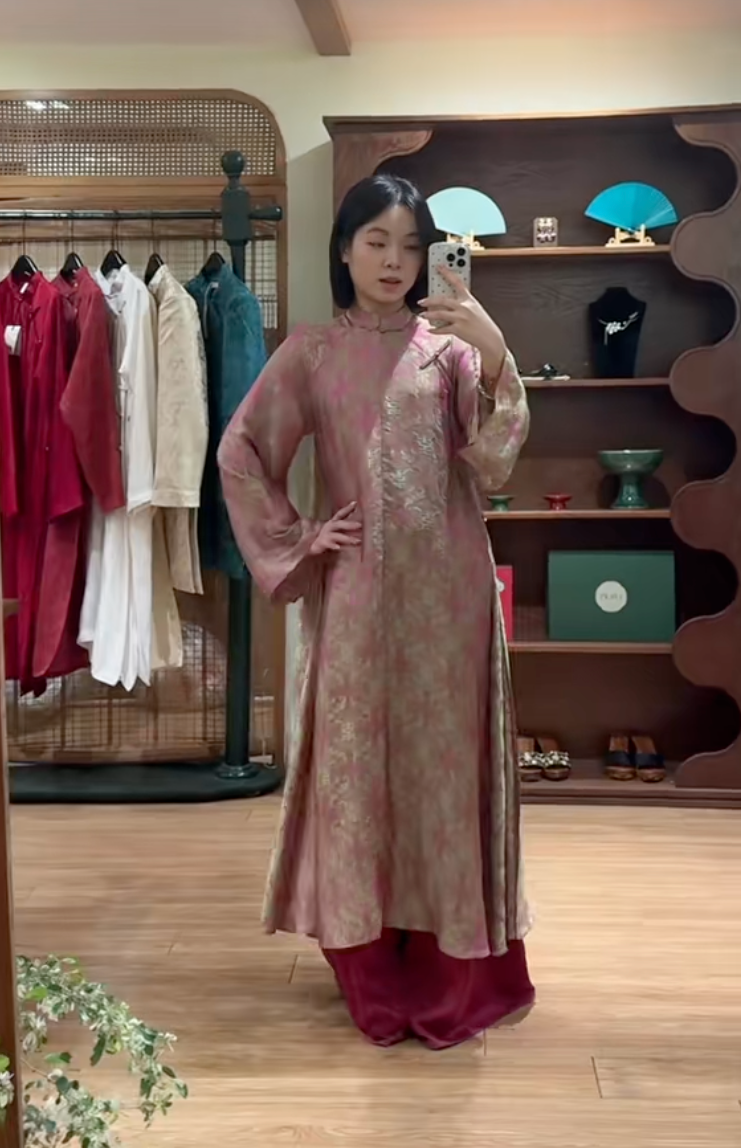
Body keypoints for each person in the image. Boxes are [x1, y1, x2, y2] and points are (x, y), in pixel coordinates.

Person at [218, 174, 535, 1050]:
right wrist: (300, 537)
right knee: (357, 770)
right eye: (376, 242)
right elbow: (242, 451)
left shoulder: (450, 351)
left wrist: (496, 352)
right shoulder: (313, 352)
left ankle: (452, 965)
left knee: (441, 772)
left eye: (410, 245)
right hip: (356, 591)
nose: (394, 261)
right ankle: (368, 961)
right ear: (344, 249)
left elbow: (496, 461)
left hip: (451, 598)